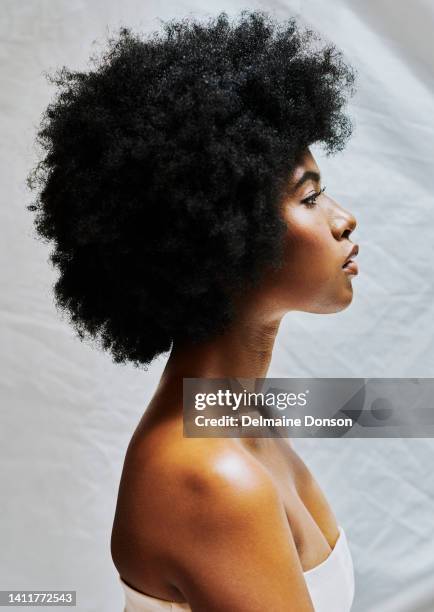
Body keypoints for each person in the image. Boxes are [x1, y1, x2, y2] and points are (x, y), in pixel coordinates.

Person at [27, 10, 358, 611]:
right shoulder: (206, 475)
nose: (343, 218)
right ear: (221, 237)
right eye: (310, 197)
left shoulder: (232, 415)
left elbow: (388, 408)